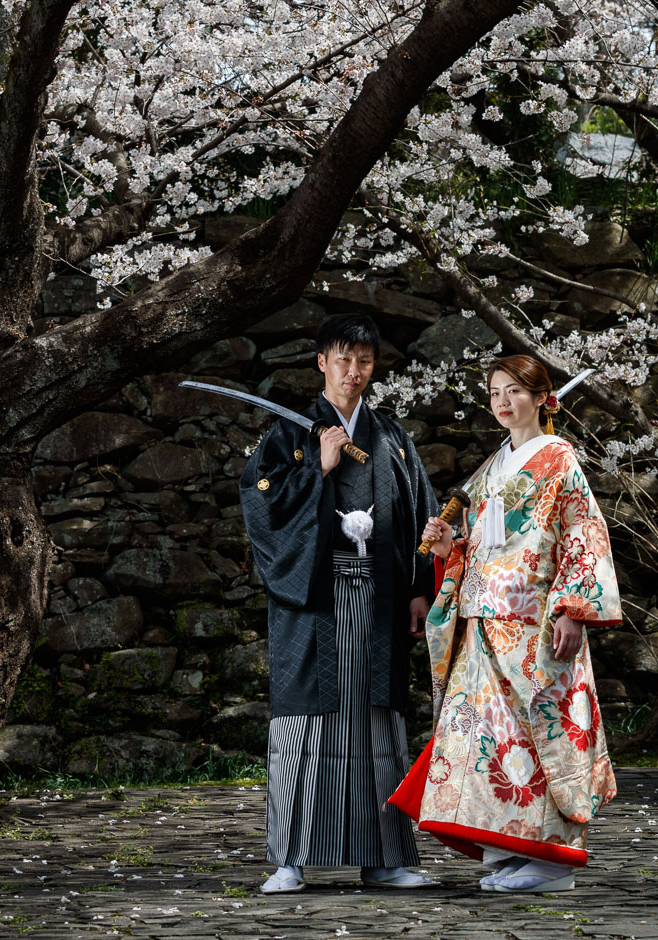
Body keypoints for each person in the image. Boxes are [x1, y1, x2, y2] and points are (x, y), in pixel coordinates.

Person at [389, 354, 620, 895]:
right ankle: (509, 849)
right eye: (494, 391)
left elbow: (583, 534)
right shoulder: (493, 466)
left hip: (537, 623)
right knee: (493, 740)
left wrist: (572, 610)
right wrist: (451, 547)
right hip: (485, 622)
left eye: (514, 390)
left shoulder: (560, 460)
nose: (501, 400)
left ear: (543, 398)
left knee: (543, 734)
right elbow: (481, 542)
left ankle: (554, 860)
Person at [240, 313, 437, 894]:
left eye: (365, 361)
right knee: (306, 724)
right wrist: (317, 470)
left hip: (380, 600)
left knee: (379, 724)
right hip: (314, 601)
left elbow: (419, 516)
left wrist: (420, 588)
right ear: (321, 362)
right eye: (343, 359)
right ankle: (290, 861)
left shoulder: (392, 438)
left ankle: (385, 858)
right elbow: (260, 506)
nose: (354, 371)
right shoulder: (286, 435)